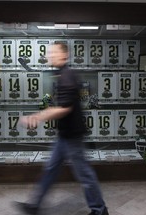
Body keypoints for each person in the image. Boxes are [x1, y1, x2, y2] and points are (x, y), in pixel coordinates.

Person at [17, 43, 109, 215]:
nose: (49, 55)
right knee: (51, 169)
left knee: (84, 175)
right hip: (65, 135)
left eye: (53, 52)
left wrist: (38, 117)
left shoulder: (66, 76)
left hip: (72, 136)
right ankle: (34, 205)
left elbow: (65, 108)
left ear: (64, 56)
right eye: (49, 52)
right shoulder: (62, 74)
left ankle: (100, 210)